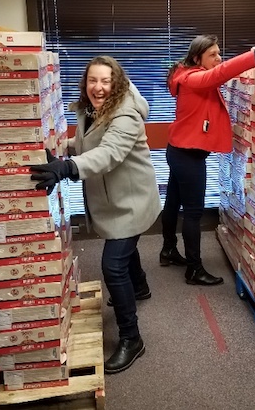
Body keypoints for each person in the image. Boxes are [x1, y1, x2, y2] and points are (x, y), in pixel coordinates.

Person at [31, 55, 161, 374]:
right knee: (124, 250)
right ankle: (140, 286)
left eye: (105, 81)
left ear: (116, 83)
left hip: (131, 201)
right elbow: (89, 143)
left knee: (113, 266)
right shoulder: (89, 110)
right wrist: (62, 154)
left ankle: (132, 339)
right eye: (93, 80)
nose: (98, 87)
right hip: (113, 199)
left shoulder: (126, 113)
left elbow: (110, 152)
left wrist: (68, 168)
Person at [161, 34, 255, 285]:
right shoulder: (193, 79)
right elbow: (218, 74)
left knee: (172, 203)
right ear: (196, 58)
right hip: (188, 155)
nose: (218, 58)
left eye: (219, 53)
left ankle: (168, 250)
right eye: (212, 54)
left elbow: (219, 74)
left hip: (179, 151)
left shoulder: (188, 76)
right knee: (193, 212)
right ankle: (194, 269)